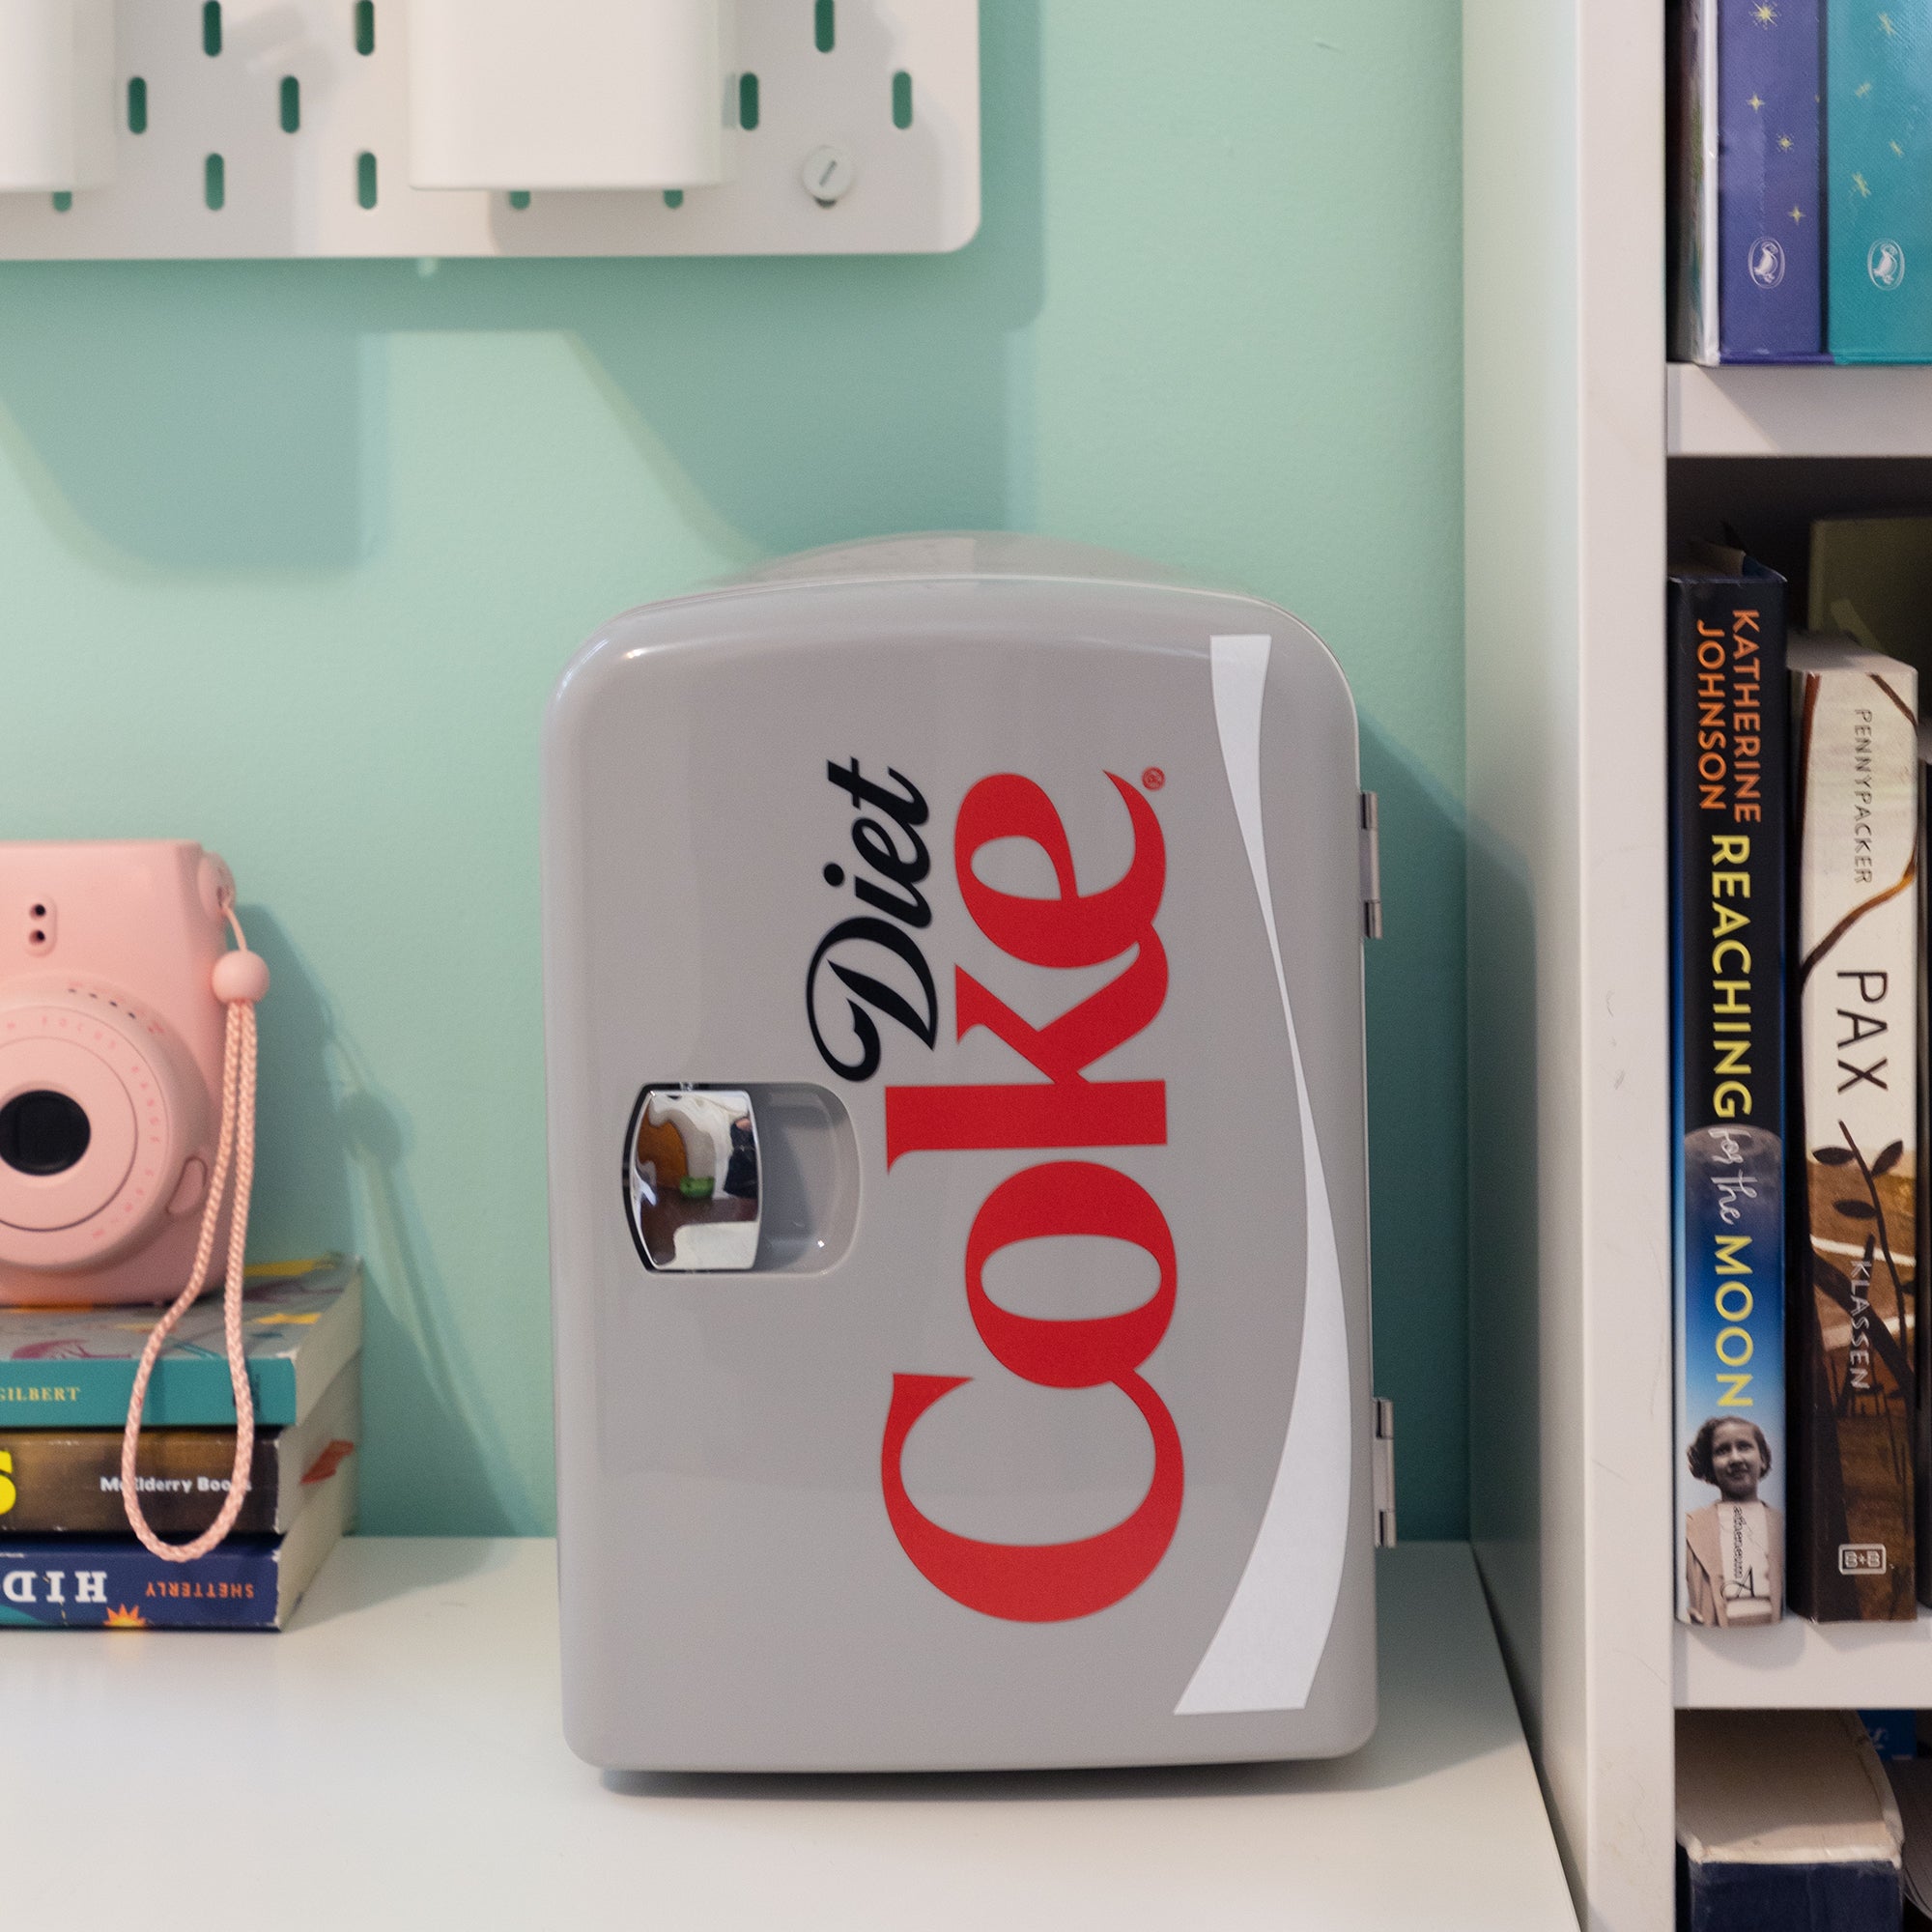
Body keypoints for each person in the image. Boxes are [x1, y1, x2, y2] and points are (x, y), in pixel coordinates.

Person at [1684, 1415, 1782, 1626]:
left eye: (1744, 1447)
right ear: (1709, 1465)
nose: (1735, 1458)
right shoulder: (1689, 1528)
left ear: (1762, 1458)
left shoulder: (1784, 1526)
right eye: (1722, 1451)